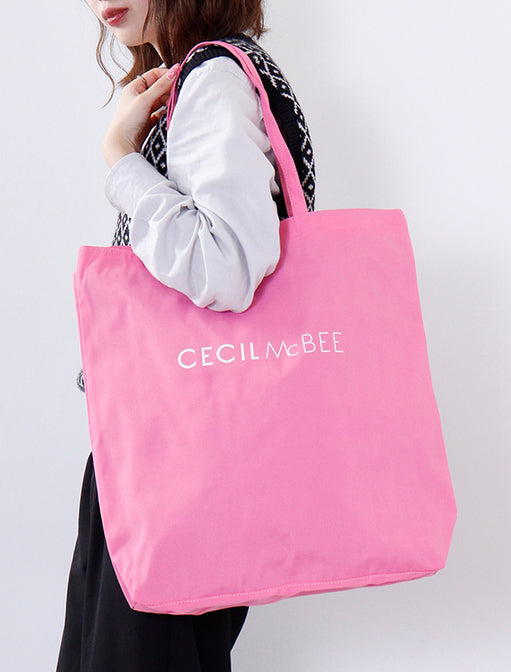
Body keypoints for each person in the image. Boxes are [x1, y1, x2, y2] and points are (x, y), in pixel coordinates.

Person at [56, 1, 316, 670]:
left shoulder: (215, 80)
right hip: (177, 455)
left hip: (172, 464)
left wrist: (121, 159)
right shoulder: (215, 75)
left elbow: (226, 266)